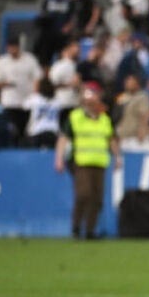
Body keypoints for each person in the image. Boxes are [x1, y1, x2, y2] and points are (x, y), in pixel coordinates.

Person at [55, 87, 121, 240]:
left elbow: (111, 139)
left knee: (97, 199)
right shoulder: (76, 117)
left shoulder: (104, 120)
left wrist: (117, 157)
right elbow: (63, 138)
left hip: (100, 162)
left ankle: (90, 230)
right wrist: (59, 158)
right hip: (81, 162)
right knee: (83, 194)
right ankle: (76, 226)